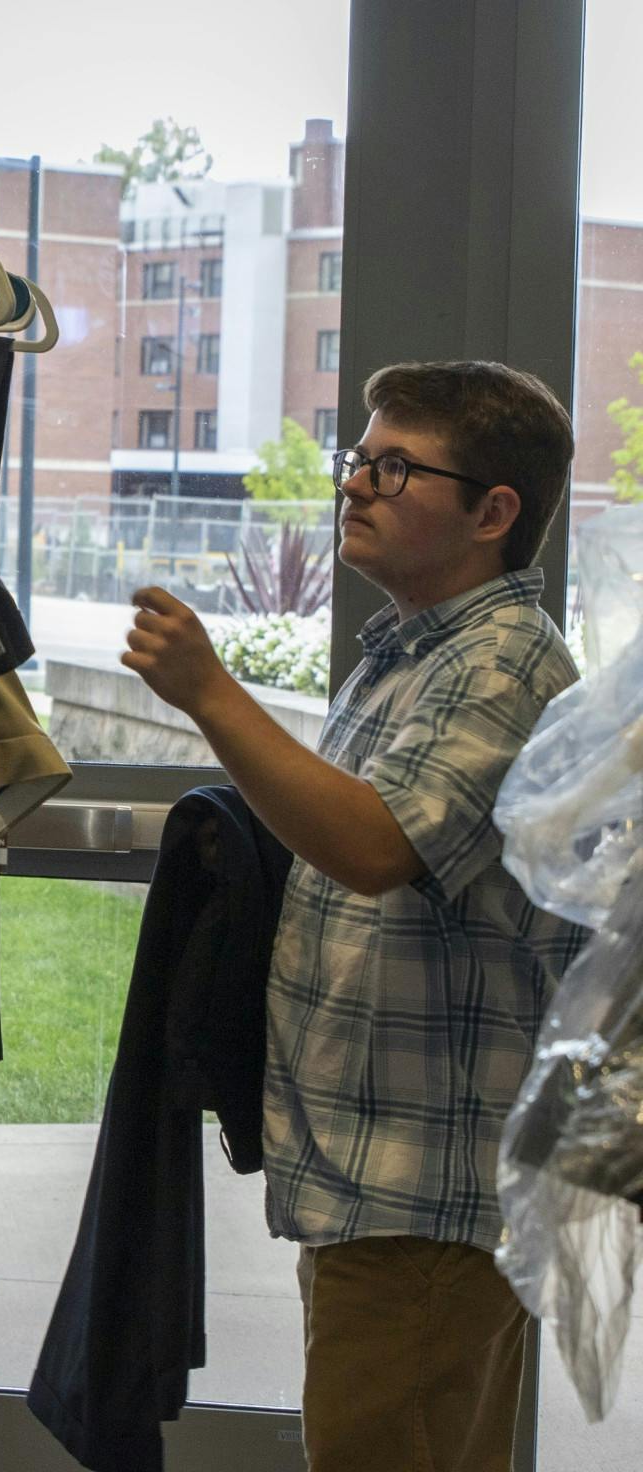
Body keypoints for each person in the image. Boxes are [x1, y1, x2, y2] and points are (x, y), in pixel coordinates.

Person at [120, 361, 586, 1472]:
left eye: (392, 467)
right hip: (379, 1184)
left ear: (491, 511)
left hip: (431, 1193)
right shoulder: (412, 655)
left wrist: (211, 693)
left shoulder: (501, 663)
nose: (354, 487)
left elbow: (378, 843)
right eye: (356, 460)